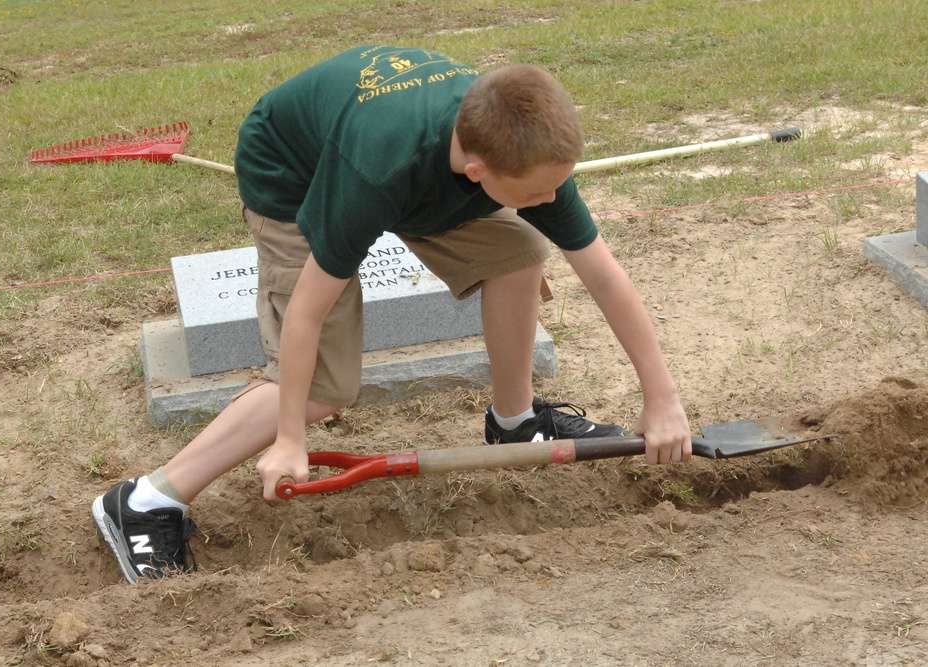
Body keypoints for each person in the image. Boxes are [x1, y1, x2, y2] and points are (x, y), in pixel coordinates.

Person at [91, 44, 692, 584]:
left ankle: (515, 419)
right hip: (294, 174)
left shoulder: (526, 152)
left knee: (519, 249)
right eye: (538, 192)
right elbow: (305, 314)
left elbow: (605, 275)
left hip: (403, 162)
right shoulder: (375, 171)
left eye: (556, 187)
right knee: (322, 389)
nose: (550, 200)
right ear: (479, 174)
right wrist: (292, 438)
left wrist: (661, 397)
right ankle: (147, 499)